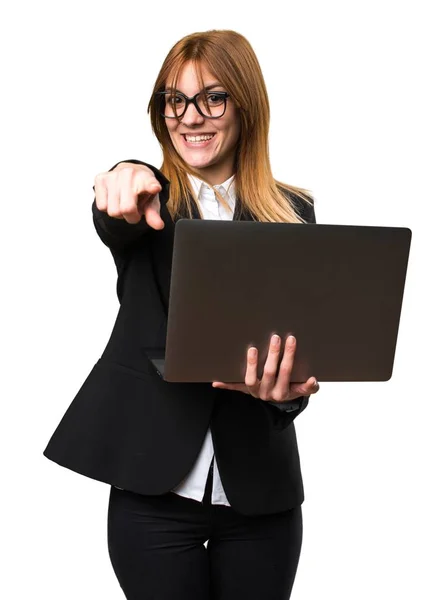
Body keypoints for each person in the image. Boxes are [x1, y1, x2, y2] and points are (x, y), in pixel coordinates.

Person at [44, 29, 320, 600]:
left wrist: (288, 394)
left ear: (245, 105)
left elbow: (293, 362)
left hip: (261, 500)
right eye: (176, 100)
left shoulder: (293, 212)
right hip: (153, 499)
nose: (191, 117)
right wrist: (121, 173)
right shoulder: (147, 201)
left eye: (212, 98)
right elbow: (113, 216)